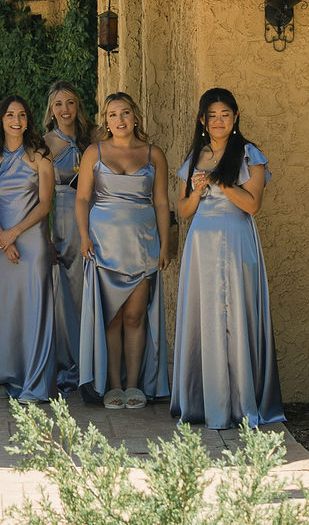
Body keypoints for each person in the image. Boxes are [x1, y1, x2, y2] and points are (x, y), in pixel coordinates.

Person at [170, 88, 284, 429]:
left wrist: (223, 182)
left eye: (226, 115)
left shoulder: (250, 155)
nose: (219, 121)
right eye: (213, 116)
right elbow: (184, 209)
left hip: (237, 242)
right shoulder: (194, 157)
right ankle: (205, 402)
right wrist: (200, 189)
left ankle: (241, 402)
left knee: (238, 315)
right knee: (205, 318)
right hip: (201, 246)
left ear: (235, 119)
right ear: (203, 121)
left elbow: (252, 206)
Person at [75, 92, 170, 410]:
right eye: (113, 114)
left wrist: (165, 244)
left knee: (134, 316)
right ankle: (113, 384)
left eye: (125, 113)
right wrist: (84, 236)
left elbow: (161, 202)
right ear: (106, 120)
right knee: (111, 319)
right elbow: (82, 199)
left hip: (142, 246)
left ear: (135, 117)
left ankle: (134, 385)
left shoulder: (154, 154)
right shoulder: (93, 152)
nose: (120, 119)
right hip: (103, 246)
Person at [0, 96, 56, 402]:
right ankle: (1, 377)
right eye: (10, 114)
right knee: (4, 309)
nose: (16, 120)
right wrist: (1, 238)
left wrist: (14, 234)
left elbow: (45, 203)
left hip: (32, 241)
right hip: (0, 243)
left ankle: (34, 383)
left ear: (29, 120)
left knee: (34, 309)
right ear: (1, 118)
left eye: (22, 115)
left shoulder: (40, 155)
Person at [42, 80, 93, 392]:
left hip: (96, 216)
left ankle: (95, 358)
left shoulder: (96, 137)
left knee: (92, 285)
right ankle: (71, 362)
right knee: (68, 289)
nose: (65, 110)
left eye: (70, 103)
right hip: (63, 216)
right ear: (51, 109)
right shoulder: (44, 143)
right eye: (59, 104)